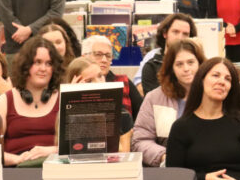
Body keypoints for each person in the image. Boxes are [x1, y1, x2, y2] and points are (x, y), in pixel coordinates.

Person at [0, 35, 62, 166]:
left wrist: (52, 151)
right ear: (25, 64)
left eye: (49, 63)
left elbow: (78, 148)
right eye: (37, 62)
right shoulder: (5, 101)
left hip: (56, 172)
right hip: (16, 173)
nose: (43, 69)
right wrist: (17, 159)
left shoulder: (63, 100)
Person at [132, 38, 205, 167]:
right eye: (179, 64)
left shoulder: (213, 94)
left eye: (190, 62)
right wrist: (166, 156)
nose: (186, 68)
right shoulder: (154, 98)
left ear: (200, 63)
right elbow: (140, 141)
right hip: (168, 169)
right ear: (171, 68)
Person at [134, 13, 196, 96]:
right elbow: (140, 86)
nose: (180, 38)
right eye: (175, 32)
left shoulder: (196, 60)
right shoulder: (152, 61)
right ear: (165, 33)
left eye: (185, 34)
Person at [83, 34, 142, 118]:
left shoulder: (124, 82)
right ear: (84, 56)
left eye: (108, 55)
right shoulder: (78, 83)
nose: (104, 60)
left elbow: (143, 115)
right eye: (98, 54)